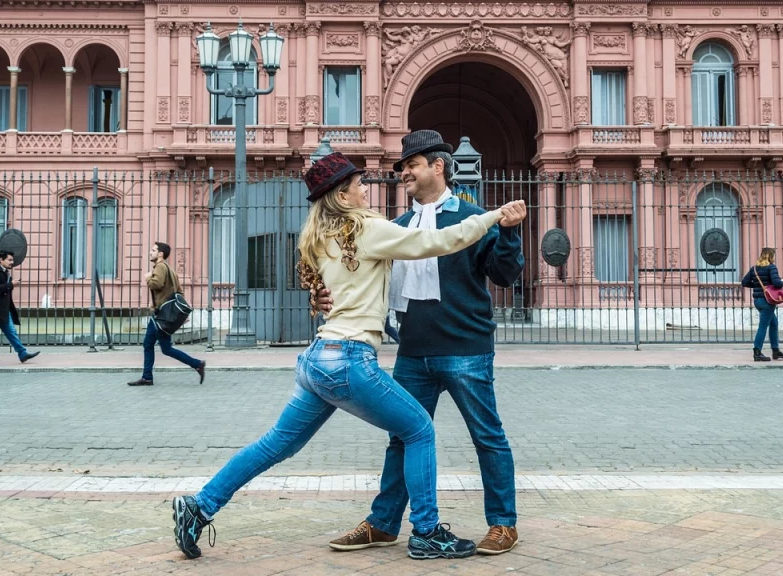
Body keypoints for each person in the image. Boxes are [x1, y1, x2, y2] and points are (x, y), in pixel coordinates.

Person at [171, 151, 527, 561]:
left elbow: (332, 289)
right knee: (419, 431)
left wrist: (320, 295)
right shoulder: (369, 228)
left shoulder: (320, 236)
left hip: (317, 360)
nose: (365, 189)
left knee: (275, 445)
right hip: (350, 359)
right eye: (358, 184)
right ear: (343, 195)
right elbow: (441, 241)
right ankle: (426, 532)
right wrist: (493, 216)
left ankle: (199, 506)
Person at [319, 130, 526, 556]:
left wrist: (508, 233)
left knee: (487, 437)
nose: (403, 173)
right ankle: (383, 523)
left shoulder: (472, 218)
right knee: (402, 438)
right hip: (412, 352)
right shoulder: (395, 228)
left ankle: (503, 524)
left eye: (411, 165)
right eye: (401, 167)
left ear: (438, 166)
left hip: (466, 350)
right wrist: (321, 294)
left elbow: (505, 275)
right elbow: (357, 277)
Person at [128, 242, 206, 386]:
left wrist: (148, 278)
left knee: (160, 347)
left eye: (153, 250)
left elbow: (156, 284)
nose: (150, 252)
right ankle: (148, 376)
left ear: (160, 254)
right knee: (156, 346)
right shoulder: (170, 270)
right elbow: (178, 292)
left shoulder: (160, 267)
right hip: (164, 315)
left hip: (161, 316)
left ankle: (196, 364)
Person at [741, 247, 783, 362]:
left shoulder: (754, 269)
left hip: (758, 301)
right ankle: (757, 352)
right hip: (768, 301)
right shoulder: (771, 267)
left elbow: (744, 282)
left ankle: (775, 351)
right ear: (771, 256)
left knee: (774, 323)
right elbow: (777, 283)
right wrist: (782, 282)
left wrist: (757, 287)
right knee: (763, 327)